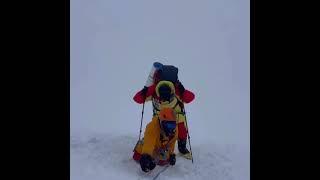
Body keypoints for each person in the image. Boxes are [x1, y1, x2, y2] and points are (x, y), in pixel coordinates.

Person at [133, 66, 195, 157]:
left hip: (174, 117)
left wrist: (182, 90)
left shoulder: (176, 89)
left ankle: (181, 147)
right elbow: (137, 99)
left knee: (180, 127)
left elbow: (190, 97)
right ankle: (157, 147)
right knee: (156, 130)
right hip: (160, 118)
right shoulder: (154, 90)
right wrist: (146, 90)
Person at [133, 107, 178, 172]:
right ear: (161, 121)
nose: (170, 129)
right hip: (152, 144)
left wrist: (171, 154)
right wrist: (146, 156)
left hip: (161, 147)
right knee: (137, 156)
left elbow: (171, 143)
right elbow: (149, 143)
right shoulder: (152, 126)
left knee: (164, 161)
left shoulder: (175, 130)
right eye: (168, 125)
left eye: (172, 125)